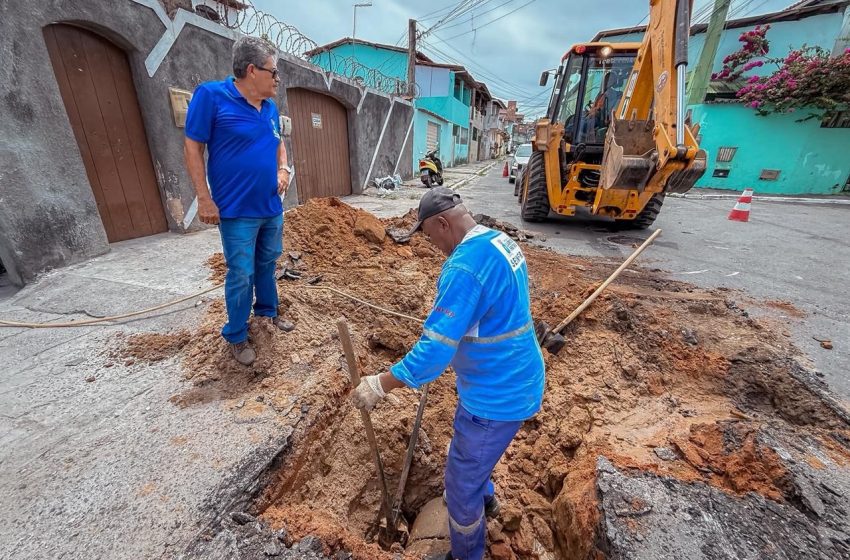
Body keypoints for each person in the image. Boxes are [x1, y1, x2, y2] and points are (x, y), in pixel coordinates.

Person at [351, 188, 545, 560]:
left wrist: (381, 383)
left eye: (429, 235)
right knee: (470, 457)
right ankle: (486, 502)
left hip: (495, 397)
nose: (432, 245)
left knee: (459, 489)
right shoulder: (496, 240)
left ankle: (466, 553)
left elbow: (435, 352)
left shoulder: (464, 268)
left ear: (443, 223)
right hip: (511, 376)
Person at [184, 36, 294, 366]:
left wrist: (284, 169)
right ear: (251, 70)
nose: (277, 79)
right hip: (236, 211)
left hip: (271, 207)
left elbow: (278, 144)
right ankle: (235, 334)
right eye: (273, 72)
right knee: (241, 273)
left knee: (267, 264)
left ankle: (267, 314)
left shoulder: (271, 108)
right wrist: (204, 198)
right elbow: (192, 149)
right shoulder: (212, 97)